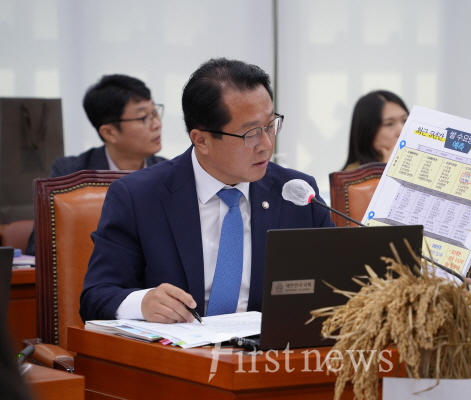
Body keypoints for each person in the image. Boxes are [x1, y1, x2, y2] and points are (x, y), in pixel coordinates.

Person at [79, 58, 334, 323]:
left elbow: (338, 284)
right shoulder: (138, 197)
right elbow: (96, 297)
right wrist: (142, 303)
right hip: (179, 356)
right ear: (202, 140)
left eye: (270, 125)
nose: (266, 144)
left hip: (270, 355)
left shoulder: (296, 194)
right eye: (251, 134)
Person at [25, 74, 166, 256]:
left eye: (155, 112)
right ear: (109, 132)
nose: (157, 124)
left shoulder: (168, 172)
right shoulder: (71, 175)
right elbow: (39, 248)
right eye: (143, 117)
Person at [342, 90, 409, 171]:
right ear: (367, 131)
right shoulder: (351, 177)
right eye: (389, 124)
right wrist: (385, 168)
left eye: (405, 120)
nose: (402, 131)